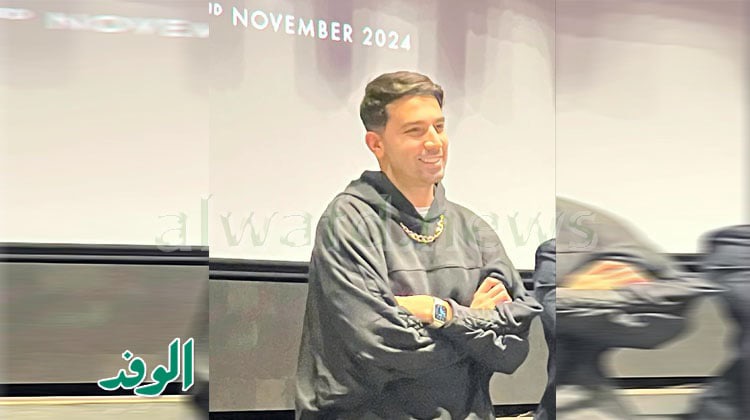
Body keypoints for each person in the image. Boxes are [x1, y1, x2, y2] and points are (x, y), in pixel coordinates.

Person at [294, 71, 543, 420]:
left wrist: (440, 312)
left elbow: (512, 346)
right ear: (376, 144)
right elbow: (381, 344)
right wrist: (473, 325)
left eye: (439, 127)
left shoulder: (473, 229)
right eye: (415, 131)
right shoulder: (348, 222)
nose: (434, 142)